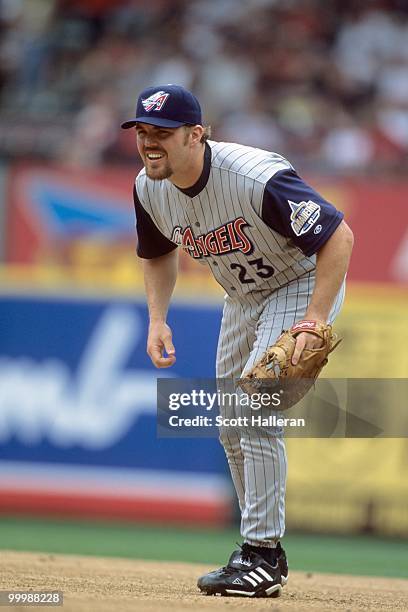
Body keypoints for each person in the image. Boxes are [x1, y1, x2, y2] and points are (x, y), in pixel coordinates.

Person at [121, 84, 354, 598]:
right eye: (142, 131)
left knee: (255, 414)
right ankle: (256, 553)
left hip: (297, 281)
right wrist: (157, 319)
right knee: (230, 426)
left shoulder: (254, 177)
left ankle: (262, 555)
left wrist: (314, 320)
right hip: (243, 297)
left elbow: (339, 234)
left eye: (162, 132)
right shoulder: (148, 187)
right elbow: (156, 251)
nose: (149, 142)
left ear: (196, 134)